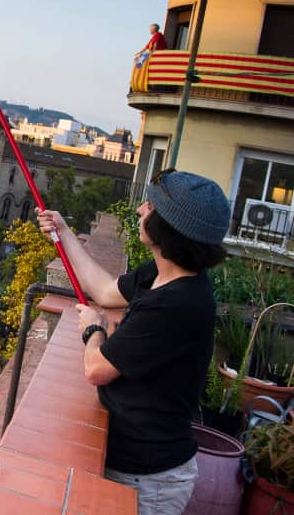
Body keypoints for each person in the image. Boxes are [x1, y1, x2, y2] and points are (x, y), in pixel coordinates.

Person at [37, 169, 230, 515]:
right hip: (137, 466)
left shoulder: (176, 304)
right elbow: (103, 291)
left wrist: (93, 329)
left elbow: (97, 370)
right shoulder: (160, 274)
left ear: (168, 228)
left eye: (151, 207)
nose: (141, 209)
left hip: (149, 479)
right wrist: (63, 231)